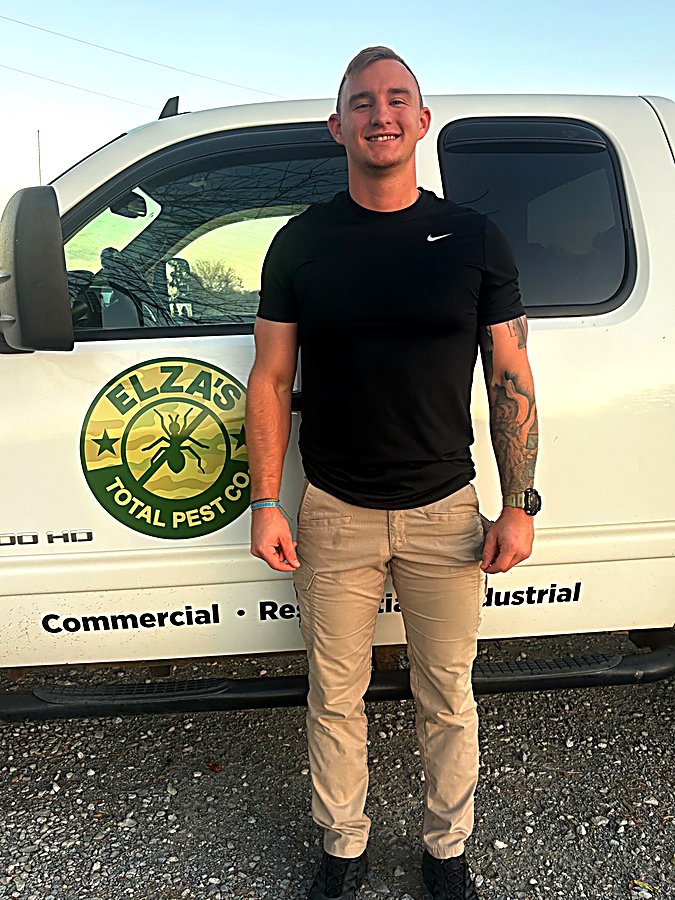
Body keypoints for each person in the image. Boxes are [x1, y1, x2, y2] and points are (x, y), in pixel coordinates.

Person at [246, 46, 540, 900]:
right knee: (332, 695)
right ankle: (343, 846)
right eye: (362, 102)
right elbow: (269, 377)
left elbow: (510, 374)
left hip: (445, 510)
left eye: (396, 99)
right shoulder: (300, 242)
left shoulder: (472, 237)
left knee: (446, 694)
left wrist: (517, 502)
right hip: (331, 510)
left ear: (420, 120)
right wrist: (268, 499)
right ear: (336, 126)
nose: (380, 113)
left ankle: (446, 852)